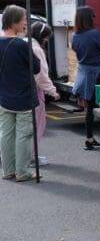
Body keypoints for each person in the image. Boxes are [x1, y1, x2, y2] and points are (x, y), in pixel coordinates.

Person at [0, 5, 41, 182]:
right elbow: (37, 67)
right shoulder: (20, 45)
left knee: (6, 134)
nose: (26, 22)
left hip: (4, 96)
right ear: (15, 22)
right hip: (23, 96)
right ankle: (22, 172)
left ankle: (8, 170)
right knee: (23, 135)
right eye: (24, 19)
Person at [72, 6, 100, 150]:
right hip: (97, 75)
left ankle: (89, 139)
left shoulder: (74, 36)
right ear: (89, 18)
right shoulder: (95, 34)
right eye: (93, 16)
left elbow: (77, 53)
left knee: (89, 109)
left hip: (83, 74)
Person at [28, 22, 61, 165]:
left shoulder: (24, 43)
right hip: (35, 91)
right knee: (37, 125)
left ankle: (18, 155)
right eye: (46, 38)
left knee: (21, 126)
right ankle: (32, 156)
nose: (47, 41)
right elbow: (40, 74)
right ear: (41, 36)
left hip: (21, 91)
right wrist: (52, 91)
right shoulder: (37, 49)